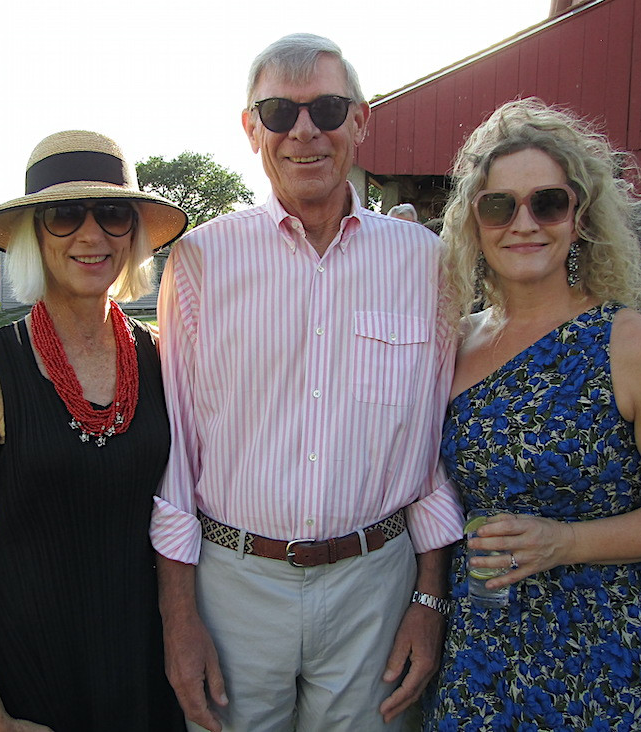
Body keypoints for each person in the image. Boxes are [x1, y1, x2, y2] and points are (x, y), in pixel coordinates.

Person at [151, 33, 460, 732]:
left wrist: (429, 600)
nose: (304, 132)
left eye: (326, 107)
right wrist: (179, 616)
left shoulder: (428, 263)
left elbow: (433, 444)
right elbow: (177, 453)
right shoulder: (201, 260)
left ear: (360, 118)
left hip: (374, 583)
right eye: (279, 113)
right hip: (234, 582)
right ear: (250, 126)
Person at [420, 98, 641, 730]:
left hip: (602, 648)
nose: (524, 223)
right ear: (474, 221)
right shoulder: (454, 341)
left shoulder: (632, 343)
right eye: (500, 205)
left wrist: (565, 542)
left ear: (580, 214)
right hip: (480, 639)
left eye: (549, 202)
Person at [0, 130, 189, 731]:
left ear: (135, 234)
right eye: (65, 216)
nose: (91, 235)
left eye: (113, 214)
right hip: (28, 669)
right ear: (33, 235)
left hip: (141, 665)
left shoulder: (164, 358)